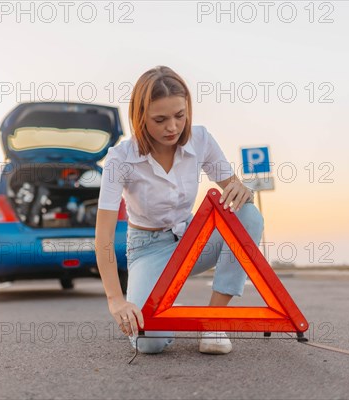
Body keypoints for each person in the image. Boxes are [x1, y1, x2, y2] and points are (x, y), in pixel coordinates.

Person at [95, 66, 264, 355]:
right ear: (140, 118)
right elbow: (104, 237)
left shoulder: (201, 139)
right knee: (150, 344)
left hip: (192, 241)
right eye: (160, 119)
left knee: (248, 213)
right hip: (147, 251)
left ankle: (214, 321)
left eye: (179, 116)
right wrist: (115, 300)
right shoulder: (119, 159)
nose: (172, 127)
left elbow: (234, 188)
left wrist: (244, 189)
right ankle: (163, 301)